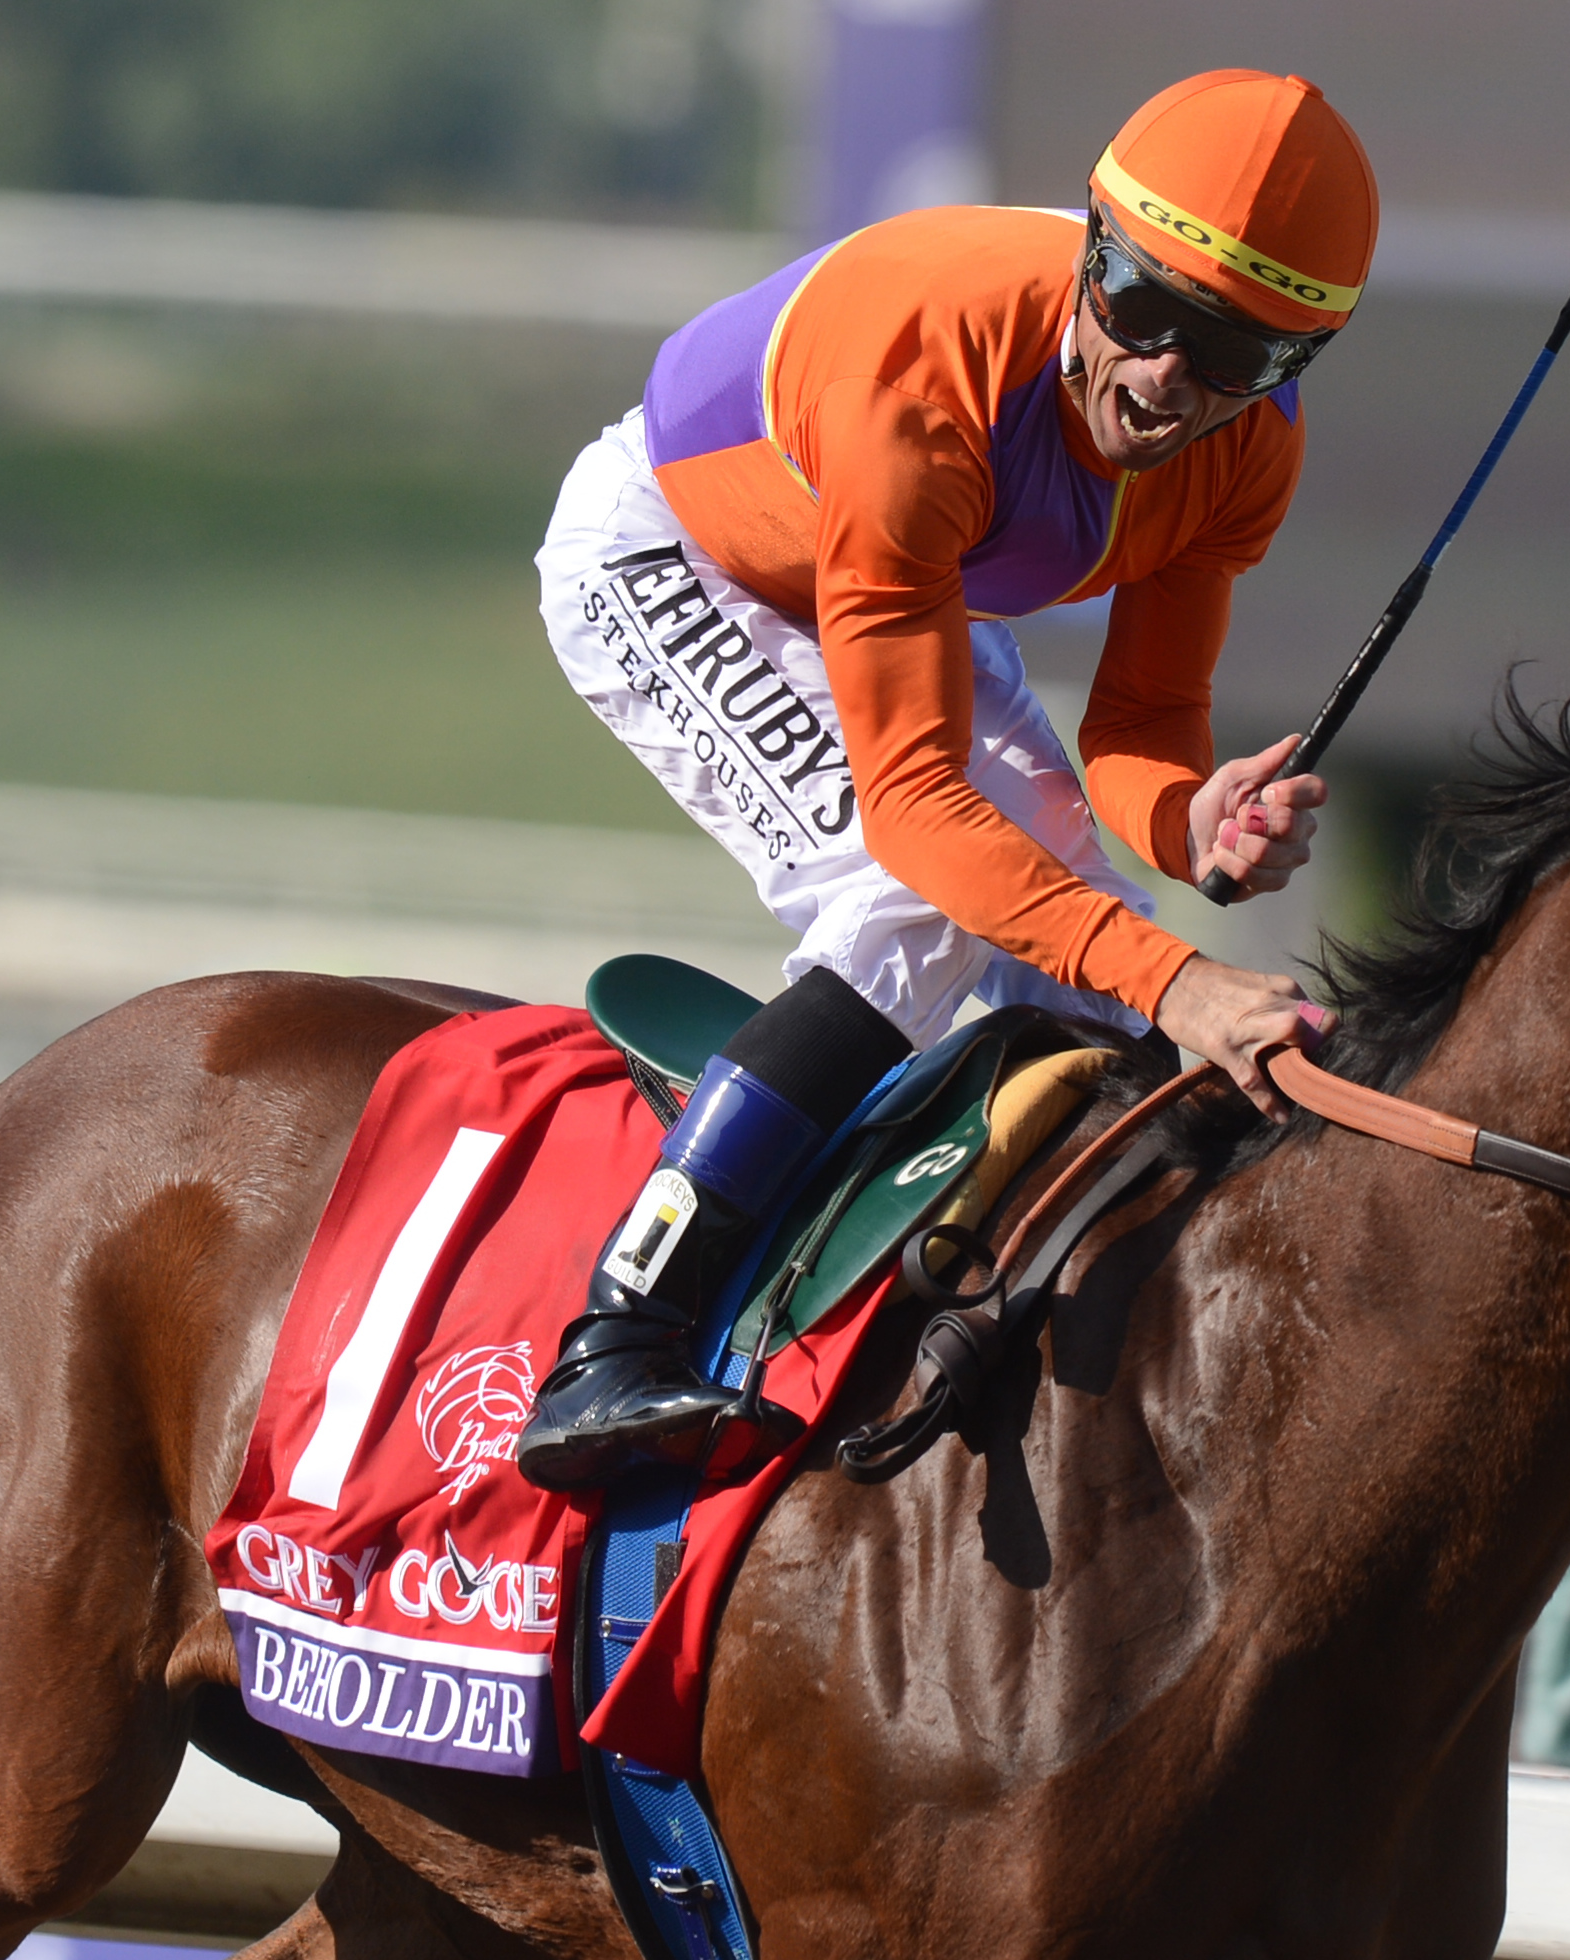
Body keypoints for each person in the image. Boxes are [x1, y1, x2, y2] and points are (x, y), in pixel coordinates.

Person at [516, 69, 1381, 1489]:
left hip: (890, 594)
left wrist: (1190, 815)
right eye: (1143, 311)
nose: (1166, 382)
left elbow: (1146, 718)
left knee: (1076, 964)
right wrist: (1189, 979)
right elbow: (919, 813)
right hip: (680, 555)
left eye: (1233, 355)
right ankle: (622, 1330)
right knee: (907, 889)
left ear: (1292, 370)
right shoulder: (932, 378)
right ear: (1092, 254)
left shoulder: (1246, 457)